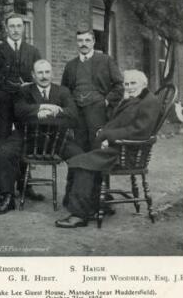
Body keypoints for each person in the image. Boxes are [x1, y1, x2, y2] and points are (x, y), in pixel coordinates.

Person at [55, 70, 161, 228]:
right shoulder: (134, 98)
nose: (129, 87)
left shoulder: (149, 101)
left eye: (133, 84)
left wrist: (109, 136)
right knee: (79, 159)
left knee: (82, 163)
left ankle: (79, 215)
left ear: (144, 84)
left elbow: (140, 131)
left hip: (127, 152)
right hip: (118, 146)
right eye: (126, 84)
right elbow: (122, 121)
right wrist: (105, 132)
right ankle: (94, 205)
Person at [0, 59, 82, 215]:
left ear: (52, 73)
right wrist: (42, 107)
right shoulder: (24, 91)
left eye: (47, 72)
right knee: (4, 152)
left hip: (56, 139)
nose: (44, 76)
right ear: (33, 75)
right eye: (40, 73)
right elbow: (19, 112)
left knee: (80, 157)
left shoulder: (63, 91)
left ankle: (72, 197)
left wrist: (55, 111)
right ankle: (8, 197)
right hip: (28, 137)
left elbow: (74, 115)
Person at [0, 14, 43, 202]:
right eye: (12, 26)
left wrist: (32, 89)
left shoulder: (32, 51)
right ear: (6, 28)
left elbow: (38, 77)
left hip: (24, 103)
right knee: (3, 144)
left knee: (25, 141)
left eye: (19, 26)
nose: (15, 29)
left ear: (24, 28)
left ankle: (25, 186)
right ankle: (1, 189)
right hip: (3, 103)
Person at [61, 29, 124, 152]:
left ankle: (99, 172)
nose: (83, 43)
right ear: (77, 42)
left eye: (87, 40)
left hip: (98, 111)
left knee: (97, 146)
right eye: (80, 40)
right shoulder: (70, 65)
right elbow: (64, 90)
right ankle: (81, 171)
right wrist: (69, 106)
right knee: (78, 148)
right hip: (77, 112)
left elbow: (119, 86)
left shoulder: (106, 60)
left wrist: (106, 101)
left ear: (93, 42)